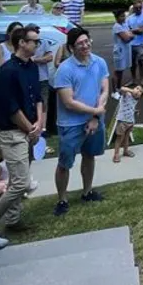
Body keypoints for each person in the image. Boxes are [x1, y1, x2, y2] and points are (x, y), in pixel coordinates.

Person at [0, 23, 43, 237]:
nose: (38, 44)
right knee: (21, 183)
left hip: (29, 130)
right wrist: (30, 128)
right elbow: (11, 107)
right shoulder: (6, 72)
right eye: (34, 41)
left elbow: (37, 97)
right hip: (13, 133)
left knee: (18, 179)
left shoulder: (31, 67)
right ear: (21, 43)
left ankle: (13, 219)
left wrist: (39, 123)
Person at [51, 27, 110, 216]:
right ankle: (62, 199)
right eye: (80, 44)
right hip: (71, 124)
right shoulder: (64, 69)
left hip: (94, 120)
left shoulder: (99, 62)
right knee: (65, 163)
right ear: (71, 48)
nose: (85, 45)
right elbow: (68, 102)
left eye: (87, 41)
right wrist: (95, 111)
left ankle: (87, 191)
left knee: (89, 156)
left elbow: (104, 90)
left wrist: (94, 117)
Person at [111, 83, 143, 164]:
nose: (138, 91)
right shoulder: (127, 95)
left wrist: (135, 111)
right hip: (122, 121)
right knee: (120, 138)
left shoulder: (136, 100)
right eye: (137, 88)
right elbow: (122, 89)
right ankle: (116, 154)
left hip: (130, 121)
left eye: (140, 91)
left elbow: (131, 107)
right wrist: (131, 90)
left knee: (126, 137)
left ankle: (125, 151)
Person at [126, 0, 143, 87]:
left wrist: (132, 30)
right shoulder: (129, 18)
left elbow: (142, 31)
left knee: (142, 64)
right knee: (132, 64)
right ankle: (133, 80)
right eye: (136, 7)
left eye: (140, 7)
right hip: (131, 44)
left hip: (141, 44)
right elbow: (127, 30)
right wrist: (137, 29)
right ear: (133, 7)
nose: (138, 9)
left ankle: (141, 81)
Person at [110, 9, 134, 90]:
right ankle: (115, 90)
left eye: (124, 16)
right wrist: (130, 36)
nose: (124, 18)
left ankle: (118, 88)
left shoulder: (124, 25)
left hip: (124, 50)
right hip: (119, 51)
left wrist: (130, 35)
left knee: (121, 71)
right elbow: (127, 39)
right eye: (121, 16)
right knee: (118, 71)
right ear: (116, 18)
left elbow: (130, 34)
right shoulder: (117, 27)